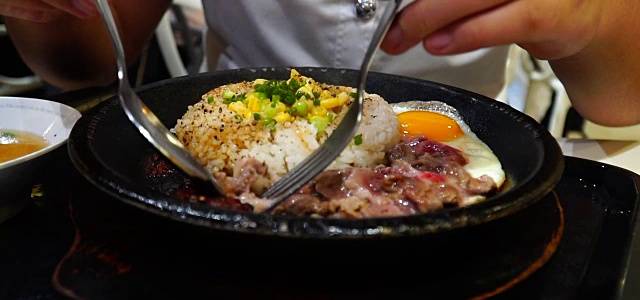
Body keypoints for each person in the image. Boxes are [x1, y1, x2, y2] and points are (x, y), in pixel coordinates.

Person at [1, 0, 639, 127]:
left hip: (464, 152)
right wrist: (50, 11)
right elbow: (78, 63)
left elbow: (623, 100)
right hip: (226, 145)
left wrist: (595, 21)